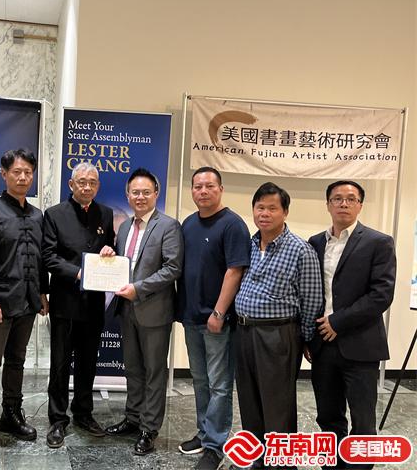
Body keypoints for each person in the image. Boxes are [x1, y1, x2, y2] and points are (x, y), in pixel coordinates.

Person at [308, 180, 396, 470]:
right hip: (323, 345)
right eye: (337, 198)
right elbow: (309, 292)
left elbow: (381, 294)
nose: (343, 203)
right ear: (328, 205)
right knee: (328, 417)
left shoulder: (378, 242)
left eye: (350, 199)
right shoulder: (315, 243)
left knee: (363, 420)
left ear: (360, 205)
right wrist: (309, 336)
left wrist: (338, 321)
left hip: (361, 344)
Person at [234, 182, 322, 467]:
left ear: (285, 212)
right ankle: (257, 458)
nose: (265, 213)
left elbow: (312, 299)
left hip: (278, 334)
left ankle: (281, 462)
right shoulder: (248, 244)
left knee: (277, 404)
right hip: (244, 331)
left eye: (272, 208)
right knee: (249, 399)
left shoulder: (301, 250)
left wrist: (305, 338)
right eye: (260, 207)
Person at [101, 168, 184, 456]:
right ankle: (133, 418)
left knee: (154, 372)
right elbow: (125, 264)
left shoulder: (168, 226)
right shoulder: (124, 227)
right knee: (133, 369)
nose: (140, 197)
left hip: (154, 311)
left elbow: (172, 268)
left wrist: (139, 289)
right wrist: (109, 255)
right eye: (135, 192)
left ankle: (149, 429)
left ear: (155, 194)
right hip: (127, 310)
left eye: (146, 192)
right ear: (128, 195)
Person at [0, 148, 49, 455]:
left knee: (17, 360)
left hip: (28, 301)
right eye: (16, 172)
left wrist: (42, 293)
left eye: (28, 172)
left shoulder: (37, 215)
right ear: (4, 174)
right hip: (0, 304)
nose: (22, 177)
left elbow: (41, 258)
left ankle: (11, 416)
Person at [176, 167, 250, 470]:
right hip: (191, 316)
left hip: (217, 319)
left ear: (220, 189)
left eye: (209, 186)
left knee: (220, 383)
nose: (203, 191)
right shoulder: (189, 224)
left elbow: (235, 271)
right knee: (200, 379)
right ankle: (204, 432)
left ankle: (215, 446)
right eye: (197, 186)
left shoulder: (233, 225)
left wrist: (219, 312)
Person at [42, 162, 115, 449]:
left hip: (94, 303)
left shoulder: (105, 214)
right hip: (65, 301)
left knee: (88, 361)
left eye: (92, 182)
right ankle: (57, 419)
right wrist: (78, 273)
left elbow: (110, 249)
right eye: (81, 182)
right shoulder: (54, 214)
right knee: (60, 363)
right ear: (71, 184)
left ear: (98, 186)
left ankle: (83, 413)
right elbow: (48, 256)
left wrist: (110, 250)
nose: (87, 187)